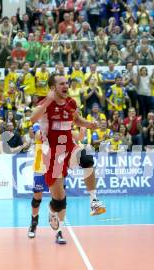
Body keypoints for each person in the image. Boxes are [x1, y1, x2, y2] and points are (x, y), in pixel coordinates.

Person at [30, 74, 106, 244]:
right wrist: (48, 101)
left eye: (67, 83)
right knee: (59, 202)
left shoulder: (71, 103)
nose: (66, 85)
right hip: (52, 155)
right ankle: (51, 212)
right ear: (53, 88)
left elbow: (77, 120)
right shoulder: (44, 104)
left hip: (69, 147)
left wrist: (89, 124)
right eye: (62, 83)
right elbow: (32, 118)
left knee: (86, 157)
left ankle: (94, 201)